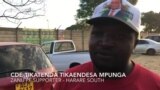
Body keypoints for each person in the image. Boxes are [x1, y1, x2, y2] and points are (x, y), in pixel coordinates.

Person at [54, 0, 160, 90]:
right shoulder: (66, 81)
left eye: (119, 36)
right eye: (98, 33)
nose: (105, 43)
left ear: (135, 44)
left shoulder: (154, 85)